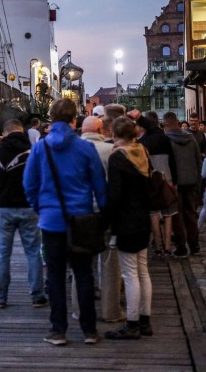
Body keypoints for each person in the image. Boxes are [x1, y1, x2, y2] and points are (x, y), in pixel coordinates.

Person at [24, 98, 107, 346]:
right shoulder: (85, 149)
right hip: (80, 220)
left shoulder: (41, 148)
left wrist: (41, 207)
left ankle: (58, 330)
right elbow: (99, 185)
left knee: (56, 277)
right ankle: (89, 330)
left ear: (51, 118)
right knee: (83, 274)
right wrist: (101, 214)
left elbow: (29, 184)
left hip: (51, 222)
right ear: (75, 120)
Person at [0, 119, 46, 309]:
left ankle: (0, 297)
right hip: (30, 207)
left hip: (3, 209)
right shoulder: (34, 152)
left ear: (4, 133)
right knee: (33, 253)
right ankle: (38, 296)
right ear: (22, 131)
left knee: (2, 254)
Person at [104, 117, 154, 340]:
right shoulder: (143, 152)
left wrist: (106, 221)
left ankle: (132, 324)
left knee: (129, 273)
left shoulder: (117, 158)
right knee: (143, 271)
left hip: (126, 220)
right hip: (144, 218)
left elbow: (114, 195)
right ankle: (145, 320)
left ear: (115, 134)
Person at [80, 115, 125, 323]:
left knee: (81, 264)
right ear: (101, 131)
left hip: (80, 212)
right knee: (110, 266)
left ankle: (79, 309)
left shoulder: (74, 151)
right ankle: (110, 311)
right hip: (106, 212)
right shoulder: (111, 151)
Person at [132, 111, 178, 260]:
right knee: (168, 214)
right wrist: (174, 181)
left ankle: (157, 248)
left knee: (153, 215)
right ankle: (167, 247)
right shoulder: (163, 138)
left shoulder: (141, 143)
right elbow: (172, 161)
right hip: (167, 179)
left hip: (151, 183)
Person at [162, 111, 202, 258]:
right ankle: (194, 245)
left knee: (177, 216)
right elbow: (198, 161)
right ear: (178, 122)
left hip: (175, 183)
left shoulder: (166, 140)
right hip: (191, 181)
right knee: (191, 214)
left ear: (165, 125)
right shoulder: (191, 139)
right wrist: (198, 181)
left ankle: (181, 247)